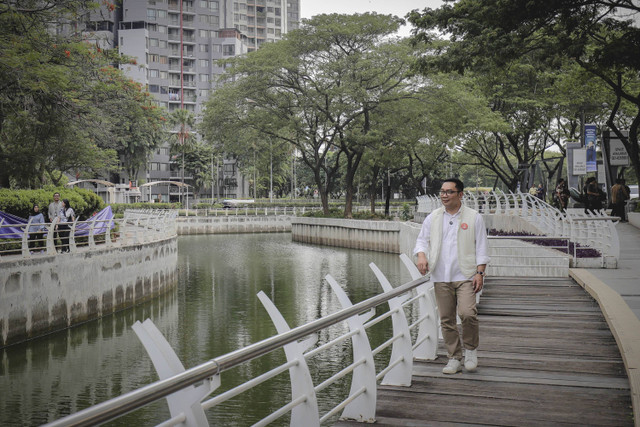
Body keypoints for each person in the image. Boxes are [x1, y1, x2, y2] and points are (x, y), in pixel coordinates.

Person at [414, 178, 490, 374]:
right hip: (440, 275)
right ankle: (454, 357)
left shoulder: (474, 218)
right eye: (442, 192)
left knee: (467, 313)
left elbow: (481, 247)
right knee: (447, 319)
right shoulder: (434, 217)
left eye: (449, 192)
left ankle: (471, 350)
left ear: (460, 195)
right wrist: (421, 255)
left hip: (465, 274)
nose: (444, 195)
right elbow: (422, 240)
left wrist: (480, 273)